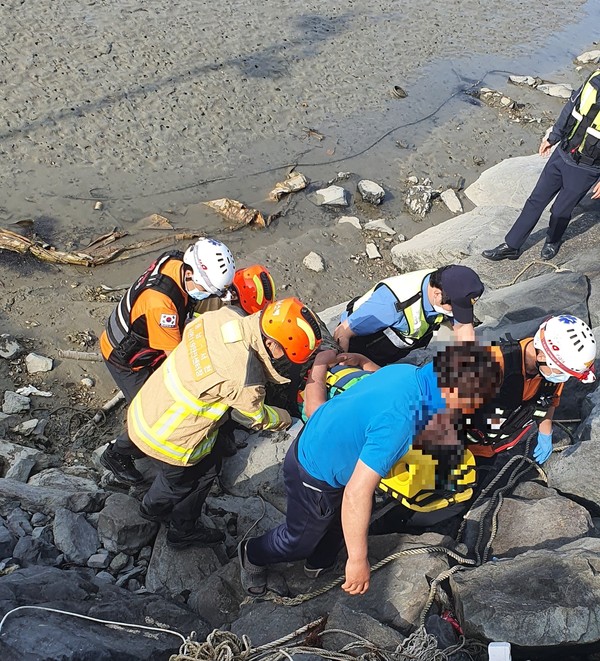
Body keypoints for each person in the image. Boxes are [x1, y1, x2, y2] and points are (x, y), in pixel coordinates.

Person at [238, 343, 502, 596]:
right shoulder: (401, 421)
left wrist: (363, 362)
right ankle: (252, 554)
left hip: (329, 448)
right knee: (299, 540)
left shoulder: (411, 373)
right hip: (313, 472)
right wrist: (358, 559)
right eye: (472, 400)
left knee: (335, 525)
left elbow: (377, 374)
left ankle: (320, 561)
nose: (471, 407)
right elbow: (356, 493)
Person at [124, 297, 322, 549]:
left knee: (205, 462)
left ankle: (156, 504)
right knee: (194, 476)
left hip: (148, 404)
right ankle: (167, 520)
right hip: (167, 436)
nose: (284, 359)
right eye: (285, 353)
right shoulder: (245, 375)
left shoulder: (223, 315)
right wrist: (287, 420)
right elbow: (253, 416)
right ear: (271, 343)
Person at [100, 238, 235, 484]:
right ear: (192, 274)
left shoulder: (176, 261)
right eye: (207, 290)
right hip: (127, 360)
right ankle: (116, 454)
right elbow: (179, 363)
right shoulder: (161, 305)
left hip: (143, 340)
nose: (206, 295)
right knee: (154, 412)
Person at [482, 70, 600, 262]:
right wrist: (553, 136)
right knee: (535, 200)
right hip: (562, 153)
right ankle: (512, 245)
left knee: (561, 210)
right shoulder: (594, 78)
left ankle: (553, 241)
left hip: (587, 167)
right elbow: (570, 109)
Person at [465, 314, 597, 464]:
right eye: (562, 372)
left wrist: (545, 433)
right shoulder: (493, 364)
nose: (564, 379)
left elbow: (548, 402)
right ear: (541, 357)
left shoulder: (550, 373)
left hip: (490, 450)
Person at [333, 265, 484, 366]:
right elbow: (342, 333)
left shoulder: (450, 286)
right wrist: (343, 369)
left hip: (392, 349)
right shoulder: (390, 304)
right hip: (362, 343)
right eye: (454, 308)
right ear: (437, 294)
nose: (454, 313)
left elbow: (463, 327)